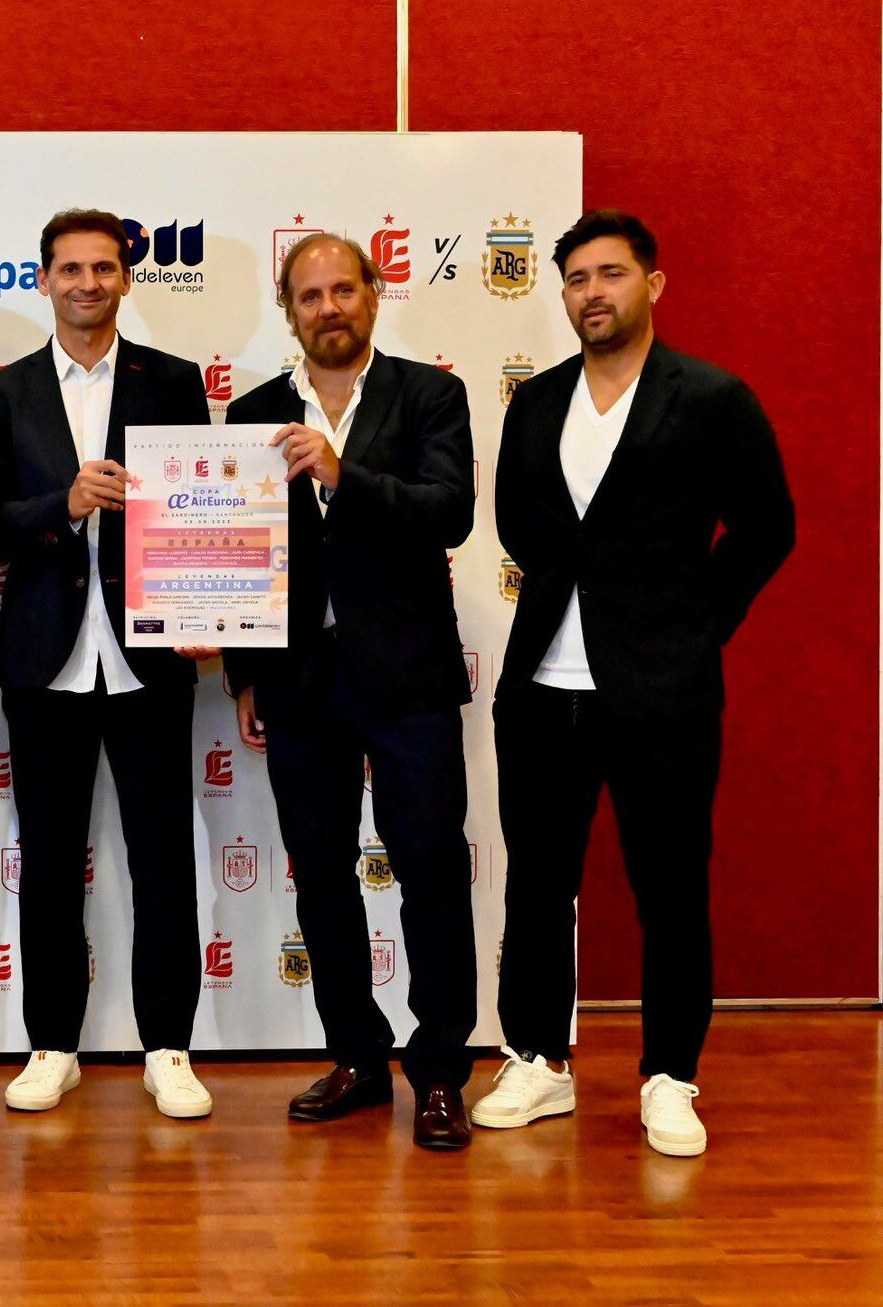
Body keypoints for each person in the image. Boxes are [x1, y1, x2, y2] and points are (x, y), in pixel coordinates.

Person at [472, 211, 793, 1158]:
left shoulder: (711, 398)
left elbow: (768, 528)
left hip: (662, 692)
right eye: (575, 278)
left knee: (669, 888)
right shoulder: (535, 402)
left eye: (610, 273)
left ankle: (670, 1076)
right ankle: (535, 1059)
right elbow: (519, 523)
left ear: (653, 284)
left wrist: (694, 628)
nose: (591, 292)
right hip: (542, 687)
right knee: (536, 885)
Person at [224, 233, 478, 1150]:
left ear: (374, 294)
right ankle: (359, 1059)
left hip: (406, 678)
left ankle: (442, 1072)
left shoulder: (429, 394)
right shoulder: (253, 411)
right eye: (309, 296)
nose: (328, 308)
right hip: (298, 679)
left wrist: (341, 471)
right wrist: (245, 671)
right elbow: (242, 556)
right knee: (322, 878)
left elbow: (448, 511)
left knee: (432, 873)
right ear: (287, 310)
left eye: (343, 290)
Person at [0, 208, 215, 1121]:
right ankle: (52, 1044)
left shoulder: (174, 382)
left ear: (125, 278)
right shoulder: (5, 393)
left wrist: (206, 609)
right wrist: (64, 504)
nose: (87, 283)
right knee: (49, 860)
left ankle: (170, 1046)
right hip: (46, 660)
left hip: (150, 656)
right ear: (44, 279)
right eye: (69, 268)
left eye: (103, 267)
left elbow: (199, 515)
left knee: (162, 859)